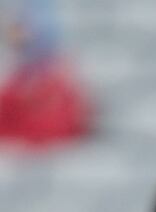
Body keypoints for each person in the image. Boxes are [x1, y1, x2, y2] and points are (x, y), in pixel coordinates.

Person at [0, 0, 92, 149]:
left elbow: (60, 128)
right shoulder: (15, 77)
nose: (12, 34)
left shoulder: (60, 79)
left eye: (19, 26)